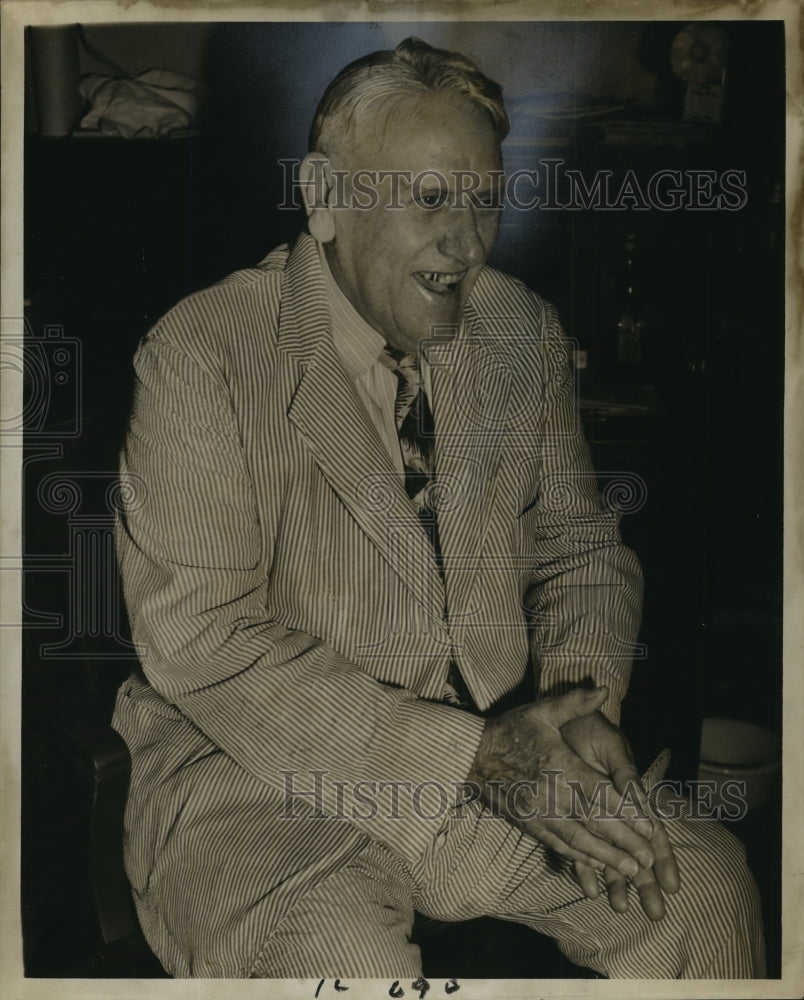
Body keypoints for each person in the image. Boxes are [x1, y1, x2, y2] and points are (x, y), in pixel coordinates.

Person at [112, 37, 765, 979]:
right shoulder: (202, 355)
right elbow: (204, 640)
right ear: (327, 200)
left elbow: (582, 547)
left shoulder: (517, 329)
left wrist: (580, 706)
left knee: (706, 895)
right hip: (259, 774)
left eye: (483, 200)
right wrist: (474, 758)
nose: (468, 242)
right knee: (342, 961)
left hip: (500, 758)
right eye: (430, 201)